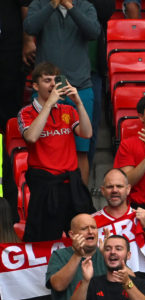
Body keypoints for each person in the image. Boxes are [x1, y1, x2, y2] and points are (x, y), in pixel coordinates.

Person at [21, 0, 99, 186]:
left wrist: (70, 7)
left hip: (78, 87)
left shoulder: (85, 6)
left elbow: (94, 32)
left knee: (81, 150)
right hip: (46, 91)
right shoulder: (40, 4)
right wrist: (52, 5)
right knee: (42, 147)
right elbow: (30, 27)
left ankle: (80, 204)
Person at [17, 64, 93, 242]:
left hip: (72, 182)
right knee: (44, 240)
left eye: (55, 80)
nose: (53, 84)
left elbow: (87, 133)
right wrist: (49, 104)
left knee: (85, 234)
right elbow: (32, 137)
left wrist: (79, 102)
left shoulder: (68, 110)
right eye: (47, 80)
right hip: (46, 185)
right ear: (36, 86)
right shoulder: (26, 113)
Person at [93, 169, 145, 281]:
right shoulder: (91, 221)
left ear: (128, 189)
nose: (114, 190)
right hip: (101, 283)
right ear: (102, 190)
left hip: (138, 284)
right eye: (110, 187)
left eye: (119, 186)